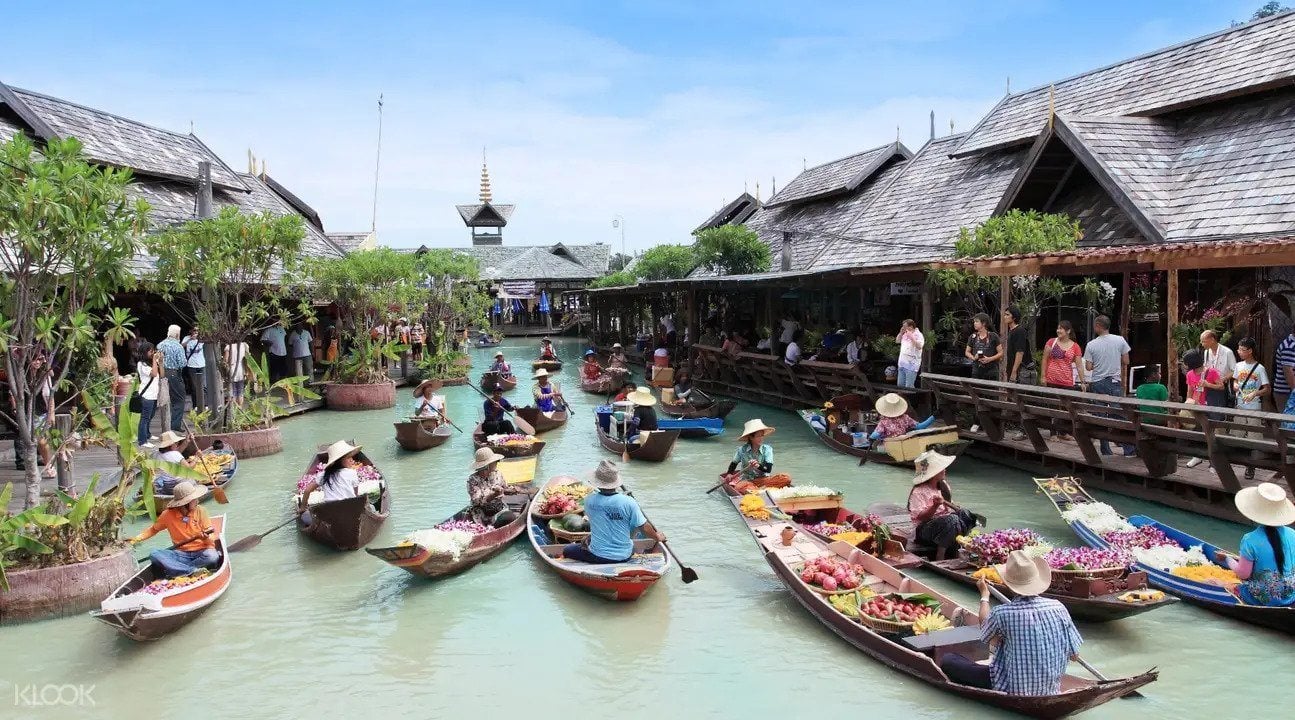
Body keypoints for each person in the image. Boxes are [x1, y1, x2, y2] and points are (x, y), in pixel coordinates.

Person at [940, 551, 1083, 695]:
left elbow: (985, 633)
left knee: (948, 660)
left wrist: (984, 595)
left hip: (1009, 687)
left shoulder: (1003, 613)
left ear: (1008, 584)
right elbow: (1074, 656)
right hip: (1051, 689)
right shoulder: (1059, 607)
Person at [562, 460, 666, 564]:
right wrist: (657, 537)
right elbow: (644, 527)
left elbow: (599, 521)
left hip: (598, 556)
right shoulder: (629, 502)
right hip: (625, 556)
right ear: (615, 483)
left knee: (567, 550)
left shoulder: (589, 501)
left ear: (597, 483)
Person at [1216, 482, 1295, 606]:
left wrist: (1227, 559)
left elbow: (1243, 574)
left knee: (1213, 582)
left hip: (1262, 598)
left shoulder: (1250, 540)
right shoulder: (1292, 534)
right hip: (1290, 595)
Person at [128, 480, 220, 578]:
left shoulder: (201, 511)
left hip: (201, 552)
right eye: (194, 499)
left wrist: (205, 538)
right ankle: (191, 571)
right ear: (185, 503)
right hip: (181, 554)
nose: (197, 501)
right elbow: (153, 529)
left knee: (212, 556)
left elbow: (211, 539)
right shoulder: (167, 515)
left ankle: (177, 570)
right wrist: (135, 539)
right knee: (154, 554)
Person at [907, 451, 978, 560]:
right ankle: (940, 556)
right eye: (941, 468)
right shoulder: (919, 491)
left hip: (946, 526)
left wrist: (951, 506)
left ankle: (960, 547)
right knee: (952, 519)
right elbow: (921, 517)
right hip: (924, 530)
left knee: (966, 515)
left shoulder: (944, 487)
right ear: (933, 473)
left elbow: (949, 509)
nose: (945, 470)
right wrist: (934, 506)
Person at [1082, 315, 1131, 456]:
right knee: (1119, 414)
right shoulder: (1120, 340)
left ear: (1098, 326)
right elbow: (1126, 361)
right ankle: (1128, 449)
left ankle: (1105, 449)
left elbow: (1089, 367)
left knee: (1100, 415)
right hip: (1115, 381)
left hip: (1098, 382)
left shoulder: (1091, 344)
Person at [1233, 337, 1271, 480]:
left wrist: (1255, 393)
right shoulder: (1238, 366)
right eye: (1239, 349)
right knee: (1237, 435)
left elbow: (1267, 389)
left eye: (1242, 349)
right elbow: (1235, 381)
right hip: (1240, 405)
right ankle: (1239, 462)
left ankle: (1251, 466)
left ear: (1250, 351)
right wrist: (1235, 385)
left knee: (1254, 438)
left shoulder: (1260, 369)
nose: (1239, 352)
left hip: (1254, 406)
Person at [297, 441, 362, 520]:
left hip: (330, 513)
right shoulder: (352, 473)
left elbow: (307, 490)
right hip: (349, 511)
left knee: (304, 516)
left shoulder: (323, 475)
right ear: (339, 460)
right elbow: (355, 495)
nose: (352, 460)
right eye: (348, 457)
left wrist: (303, 508)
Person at [1183, 349, 1223, 468]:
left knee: (1211, 434)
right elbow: (1189, 391)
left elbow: (1221, 387)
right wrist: (1187, 405)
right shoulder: (1190, 374)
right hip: (1196, 406)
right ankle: (1197, 456)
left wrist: (1208, 384)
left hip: (1210, 407)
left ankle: (1213, 462)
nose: (1184, 365)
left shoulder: (1212, 372)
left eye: (1186, 362)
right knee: (1197, 432)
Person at [868, 393, 935, 449]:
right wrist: (933, 417)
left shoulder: (884, 422)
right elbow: (920, 426)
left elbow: (877, 433)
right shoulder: (905, 418)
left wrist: (871, 438)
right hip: (903, 444)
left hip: (890, 447)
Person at [467, 447, 511, 525]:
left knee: (510, 517)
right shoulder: (473, 480)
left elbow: (505, 487)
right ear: (487, 465)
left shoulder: (497, 474)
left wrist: (514, 490)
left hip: (498, 508)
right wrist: (494, 494)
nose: (497, 463)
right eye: (495, 461)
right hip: (481, 513)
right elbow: (478, 501)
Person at [157, 325, 187, 432]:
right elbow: (183, 363)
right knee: (179, 399)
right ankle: (175, 425)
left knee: (164, 398)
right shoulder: (178, 347)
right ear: (177, 334)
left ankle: (166, 424)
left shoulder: (160, 345)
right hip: (174, 374)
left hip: (162, 373)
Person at [1201, 330, 1237, 410]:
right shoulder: (1206, 352)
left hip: (1223, 386)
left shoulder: (1227, 352)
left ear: (1212, 340)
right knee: (1209, 410)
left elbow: (1234, 370)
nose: (1202, 344)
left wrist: (1223, 379)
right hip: (1209, 386)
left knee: (1220, 411)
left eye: (1204, 341)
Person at [135, 342, 161, 447]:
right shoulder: (142, 364)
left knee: (151, 416)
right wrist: (155, 360)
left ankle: (148, 434)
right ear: (145, 352)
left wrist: (160, 362)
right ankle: (142, 440)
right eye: (150, 351)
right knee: (145, 418)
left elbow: (161, 374)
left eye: (153, 350)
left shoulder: (151, 363)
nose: (153, 352)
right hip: (147, 395)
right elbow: (154, 374)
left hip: (154, 394)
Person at [965, 313, 1001, 381]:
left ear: (984, 323)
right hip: (977, 369)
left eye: (977, 321)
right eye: (974, 322)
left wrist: (989, 359)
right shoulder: (973, 337)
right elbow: (967, 352)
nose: (974, 323)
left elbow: (1001, 353)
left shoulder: (993, 336)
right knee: (976, 389)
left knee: (991, 390)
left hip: (991, 370)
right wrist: (973, 357)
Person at [1003, 306, 1034, 385]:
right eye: (1005, 314)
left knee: (1019, 396)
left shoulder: (1019, 331)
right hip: (1012, 368)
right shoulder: (1012, 331)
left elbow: (1020, 352)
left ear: (1014, 318)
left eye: (1007, 315)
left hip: (1021, 370)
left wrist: (1014, 372)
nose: (1005, 317)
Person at [153, 430, 188, 495]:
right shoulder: (175, 454)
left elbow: (174, 455)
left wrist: (186, 442)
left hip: (167, 487)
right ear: (171, 445)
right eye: (176, 443)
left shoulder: (156, 454)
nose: (177, 445)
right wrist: (196, 458)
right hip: (179, 484)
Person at [181, 327, 206, 416]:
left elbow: (207, 341)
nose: (196, 332)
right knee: (194, 387)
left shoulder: (201, 338)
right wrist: (190, 339)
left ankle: (204, 404)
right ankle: (195, 405)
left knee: (203, 385)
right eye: (194, 330)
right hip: (191, 365)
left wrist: (199, 337)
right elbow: (182, 346)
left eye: (197, 330)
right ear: (190, 331)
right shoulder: (187, 338)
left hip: (201, 364)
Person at [896, 320, 924, 389]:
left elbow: (919, 346)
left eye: (905, 326)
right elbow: (897, 341)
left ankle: (910, 399)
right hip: (902, 363)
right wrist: (900, 333)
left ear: (911, 326)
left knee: (909, 386)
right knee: (900, 385)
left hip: (911, 365)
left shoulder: (919, 335)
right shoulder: (904, 334)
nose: (903, 327)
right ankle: (902, 399)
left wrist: (912, 337)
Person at [1274, 327, 1295, 413]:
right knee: (1288, 424)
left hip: (1289, 392)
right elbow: (1289, 374)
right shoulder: (1289, 347)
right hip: (1287, 393)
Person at [225, 336, 251, 407]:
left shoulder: (228, 347)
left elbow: (226, 360)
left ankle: (234, 411)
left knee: (233, 392)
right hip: (241, 369)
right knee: (240, 391)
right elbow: (248, 358)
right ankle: (240, 410)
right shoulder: (244, 345)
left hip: (232, 369)